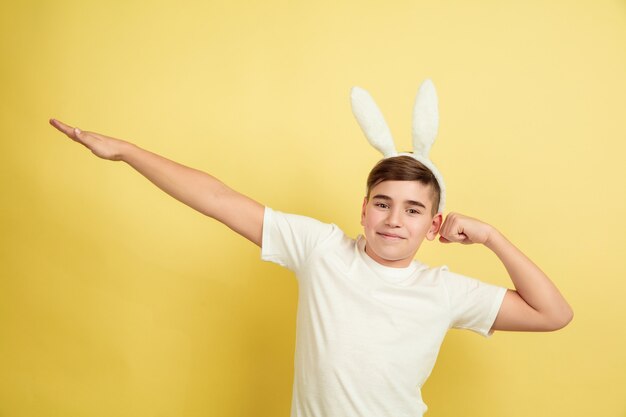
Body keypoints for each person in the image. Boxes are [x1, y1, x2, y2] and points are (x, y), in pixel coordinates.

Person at [49, 116, 572, 417]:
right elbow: (217, 198)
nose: (394, 219)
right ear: (363, 210)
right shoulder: (320, 249)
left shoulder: (445, 290)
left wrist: (492, 238)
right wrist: (125, 152)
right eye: (383, 203)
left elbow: (553, 313)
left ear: (433, 224)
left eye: (413, 210)